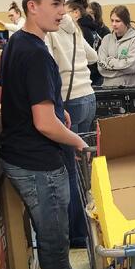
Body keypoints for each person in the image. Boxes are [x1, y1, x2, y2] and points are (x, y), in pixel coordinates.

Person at [0, 0, 99, 269]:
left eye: (62, 4)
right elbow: (43, 123)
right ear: (32, 6)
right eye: (54, 4)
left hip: (19, 154)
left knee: (49, 233)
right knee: (54, 238)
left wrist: (58, 108)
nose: (62, 12)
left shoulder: (17, 43)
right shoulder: (36, 53)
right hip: (38, 161)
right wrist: (77, 140)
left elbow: (18, 98)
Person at [45, 13, 97, 248]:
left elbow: (47, 65)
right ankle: (91, 225)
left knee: (71, 171)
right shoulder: (74, 29)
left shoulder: (50, 32)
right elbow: (93, 56)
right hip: (89, 97)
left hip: (70, 102)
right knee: (85, 168)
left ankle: (78, 235)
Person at [97, 5, 135, 87]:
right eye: (112, 20)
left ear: (126, 22)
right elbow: (101, 68)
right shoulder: (106, 39)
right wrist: (123, 67)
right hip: (108, 89)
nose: (114, 24)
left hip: (129, 90)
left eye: (118, 21)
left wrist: (111, 62)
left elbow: (132, 67)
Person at [67, 0, 104, 85]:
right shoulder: (90, 26)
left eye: (66, 13)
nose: (63, 16)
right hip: (97, 75)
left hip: (89, 79)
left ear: (76, 13)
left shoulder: (80, 31)